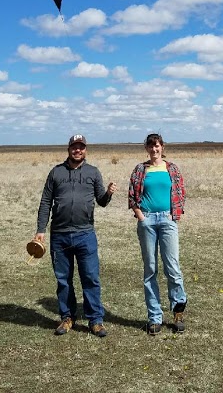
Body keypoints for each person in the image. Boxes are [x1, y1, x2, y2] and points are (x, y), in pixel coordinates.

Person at [34, 134, 117, 337]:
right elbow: (46, 202)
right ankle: (67, 317)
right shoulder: (56, 172)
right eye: (74, 147)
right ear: (69, 149)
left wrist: (108, 193)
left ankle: (95, 320)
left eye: (81, 147)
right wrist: (40, 230)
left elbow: (101, 201)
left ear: (85, 150)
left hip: (85, 235)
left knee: (90, 277)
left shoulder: (93, 172)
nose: (77, 150)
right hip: (60, 236)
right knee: (63, 280)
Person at [127, 133, 187, 335]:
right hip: (148, 221)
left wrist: (174, 215)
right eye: (151, 146)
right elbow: (132, 195)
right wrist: (141, 216)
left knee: (173, 267)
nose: (154, 150)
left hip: (167, 221)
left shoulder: (172, 168)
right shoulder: (140, 170)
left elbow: (180, 192)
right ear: (146, 148)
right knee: (150, 269)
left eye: (158, 146)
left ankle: (178, 311)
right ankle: (154, 317)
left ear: (162, 147)